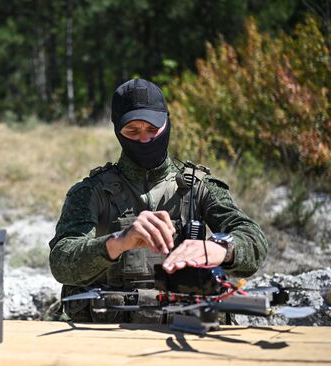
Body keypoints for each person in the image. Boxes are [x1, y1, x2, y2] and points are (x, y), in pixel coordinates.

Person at [49, 78, 269, 323]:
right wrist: (118, 243)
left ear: (167, 122)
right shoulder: (91, 192)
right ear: (117, 130)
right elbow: (61, 261)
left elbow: (254, 239)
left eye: (153, 129)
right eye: (133, 131)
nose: (144, 139)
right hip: (109, 334)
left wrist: (220, 249)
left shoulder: (199, 186)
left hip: (186, 329)